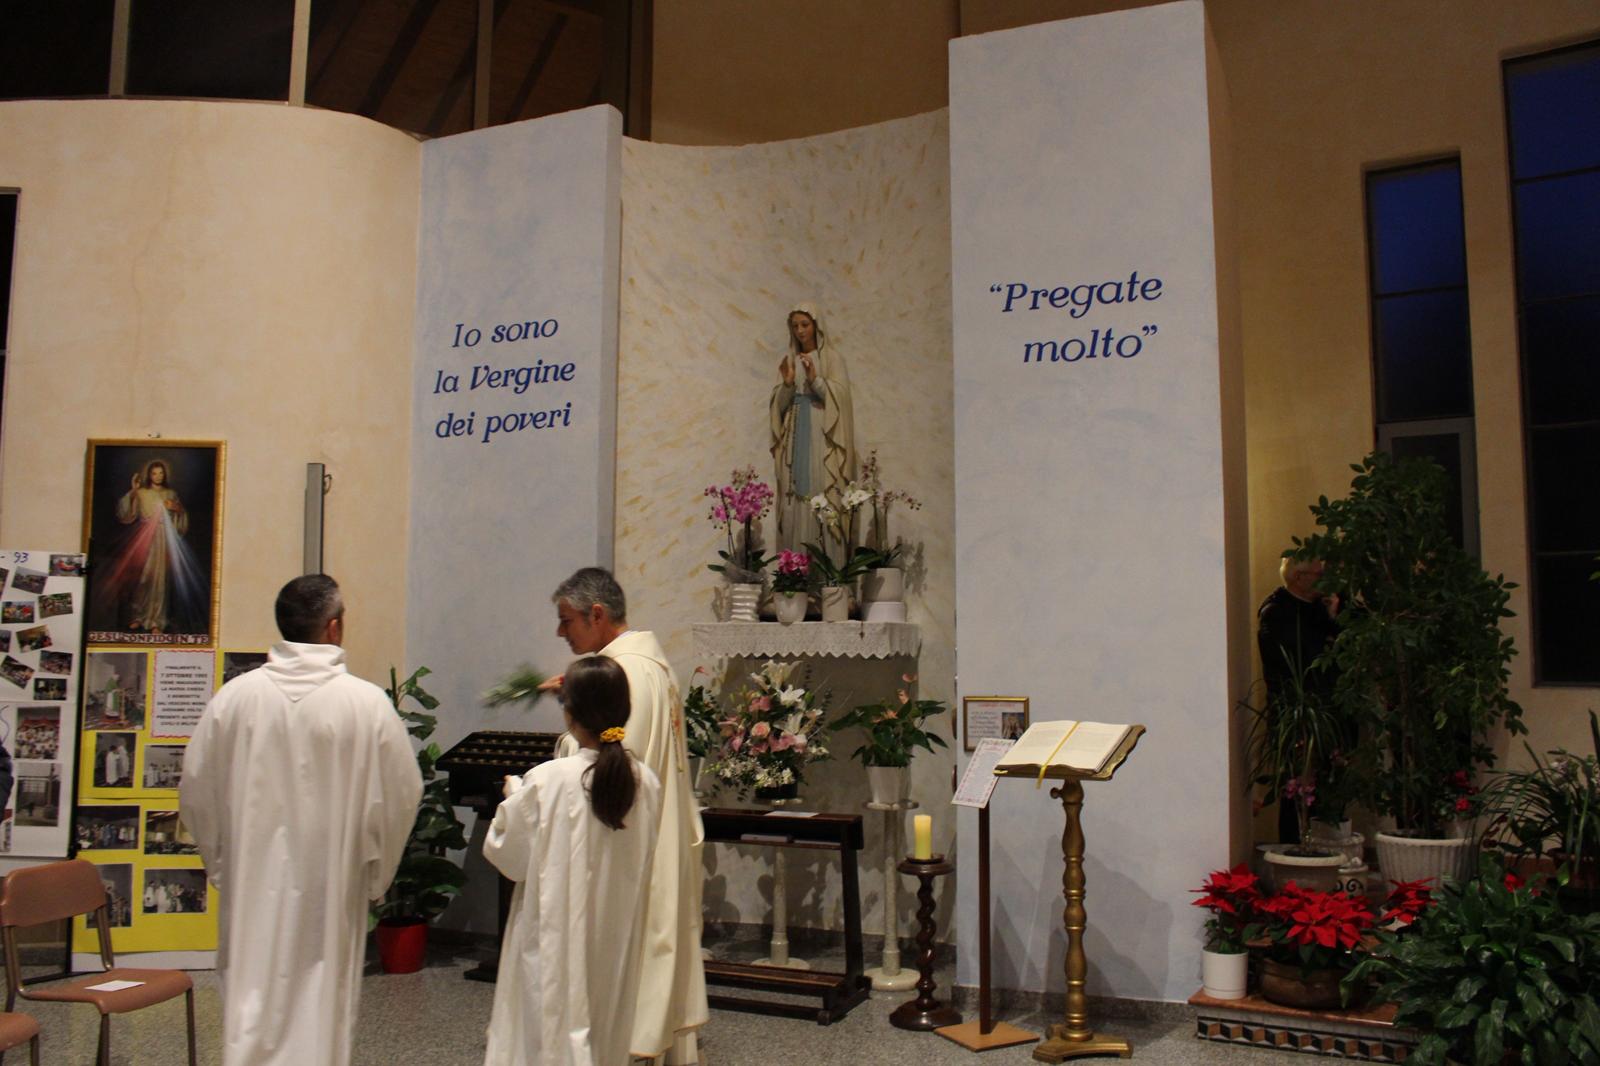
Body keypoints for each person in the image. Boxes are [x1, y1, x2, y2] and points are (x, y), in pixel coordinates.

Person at [180, 574, 422, 1066]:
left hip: (252, 881)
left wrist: (221, 862)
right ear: (334, 627)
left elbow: (196, 788)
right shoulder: (365, 703)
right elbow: (403, 792)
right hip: (332, 881)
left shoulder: (235, 698)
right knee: (321, 998)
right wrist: (376, 872)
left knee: (252, 993)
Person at [541, 568, 708, 1064]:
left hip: (630, 848)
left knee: (627, 981)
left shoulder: (626, 673)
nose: (560, 632)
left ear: (597, 614)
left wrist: (571, 722)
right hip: (660, 834)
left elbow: (606, 766)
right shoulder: (651, 665)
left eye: (567, 620)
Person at [483, 655, 662, 1066]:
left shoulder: (547, 779)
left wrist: (513, 799)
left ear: (570, 714)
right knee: (604, 1024)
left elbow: (507, 855)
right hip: (614, 931)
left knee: (550, 1025)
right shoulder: (645, 781)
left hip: (555, 932)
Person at [1256, 554, 1342, 845]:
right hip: (1296, 713)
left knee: (1329, 783)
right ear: (1298, 577)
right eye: (1319, 575)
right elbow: (1296, 661)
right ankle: (1293, 847)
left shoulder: (1320, 609)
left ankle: (1326, 845)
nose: (1325, 581)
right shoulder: (1276, 612)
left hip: (1328, 710)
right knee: (1296, 786)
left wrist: (1334, 618)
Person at [769, 307, 856, 552]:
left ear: (816, 326)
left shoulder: (832, 359)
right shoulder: (790, 360)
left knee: (820, 487)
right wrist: (787, 385)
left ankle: (827, 568)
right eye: (795, 325)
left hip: (820, 435)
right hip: (794, 435)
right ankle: (794, 566)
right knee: (793, 497)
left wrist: (815, 380)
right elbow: (778, 409)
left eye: (805, 324)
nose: (800, 331)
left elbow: (841, 401)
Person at [102, 458, 205, 634]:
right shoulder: (142, 493)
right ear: (149, 475)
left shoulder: (170, 494)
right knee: (143, 578)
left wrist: (177, 510)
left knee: (160, 580)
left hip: (164, 539)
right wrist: (133, 491)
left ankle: (156, 620)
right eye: (154, 473)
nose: (158, 476)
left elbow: (180, 520)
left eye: (161, 473)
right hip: (145, 538)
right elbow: (127, 514)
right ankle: (138, 616)